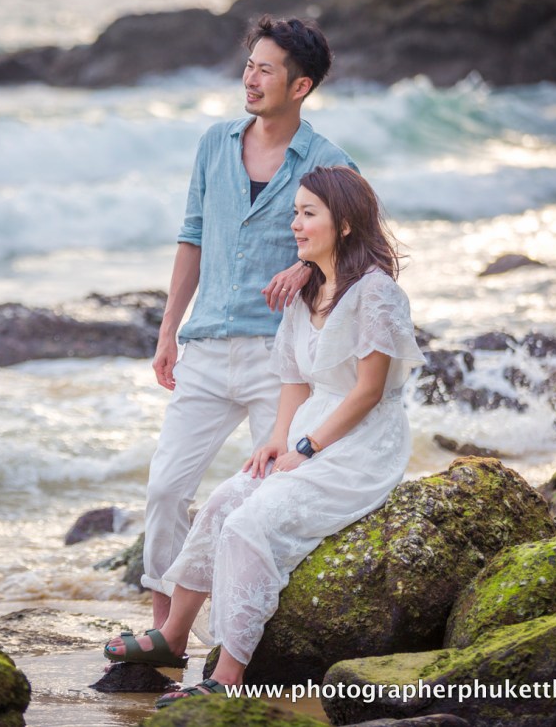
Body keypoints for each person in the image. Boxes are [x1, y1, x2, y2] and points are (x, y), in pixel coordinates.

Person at [105, 165, 424, 707]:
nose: (294, 224)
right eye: (294, 212)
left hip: (363, 443)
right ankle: (173, 637)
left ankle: (228, 675)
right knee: (222, 503)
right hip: (309, 428)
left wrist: (308, 447)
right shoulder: (308, 291)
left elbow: (368, 391)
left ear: (345, 224)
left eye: (308, 213)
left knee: (249, 525)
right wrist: (279, 438)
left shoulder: (377, 294)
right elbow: (294, 378)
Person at [141, 15, 359, 630]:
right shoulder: (215, 143)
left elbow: (358, 252)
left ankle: (250, 629)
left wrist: (305, 266)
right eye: (249, 66)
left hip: (281, 361)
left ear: (300, 86)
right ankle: (164, 632)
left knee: (273, 496)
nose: (251, 79)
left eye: (266, 70)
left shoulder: (329, 163)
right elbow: (191, 237)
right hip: (207, 347)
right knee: (165, 490)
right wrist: (168, 331)